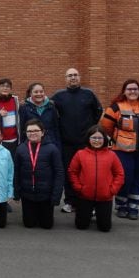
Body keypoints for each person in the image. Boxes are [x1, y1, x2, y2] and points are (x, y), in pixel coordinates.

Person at [100, 79, 139, 220]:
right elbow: (106, 127)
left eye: (135, 89)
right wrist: (115, 140)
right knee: (125, 178)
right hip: (122, 150)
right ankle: (121, 205)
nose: (132, 91)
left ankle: (134, 207)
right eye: (129, 89)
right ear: (124, 91)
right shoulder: (115, 107)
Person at [52, 68, 103, 213]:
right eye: (69, 76)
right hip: (66, 142)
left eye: (75, 75)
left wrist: (89, 129)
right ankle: (70, 201)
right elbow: (46, 106)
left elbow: (98, 111)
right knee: (70, 172)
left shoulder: (89, 94)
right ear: (65, 78)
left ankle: (87, 203)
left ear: (79, 77)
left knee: (87, 172)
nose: (72, 78)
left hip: (85, 143)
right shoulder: (58, 96)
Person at [68, 126, 125, 232]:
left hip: (105, 196)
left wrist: (112, 190)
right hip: (84, 195)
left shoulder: (112, 155)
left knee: (105, 228)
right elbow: (72, 172)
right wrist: (79, 188)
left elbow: (119, 174)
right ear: (88, 139)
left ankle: (98, 214)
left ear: (104, 139)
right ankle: (87, 214)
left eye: (99, 138)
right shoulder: (80, 154)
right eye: (94, 138)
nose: (96, 141)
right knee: (81, 226)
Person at [13, 119, 64, 229]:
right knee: (29, 224)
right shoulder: (20, 149)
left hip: (46, 195)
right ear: (26, 133)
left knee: (46, 225)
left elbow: (59, 173)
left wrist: (56, 196)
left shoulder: (52, 149)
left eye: (36, 130)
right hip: (27, 195)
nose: (32, 133)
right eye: (29, 131)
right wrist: (16, 192)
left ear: (43, 132)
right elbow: (16, 171)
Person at [18, 83, 60, 150]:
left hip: (50, 143)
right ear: (31, 94)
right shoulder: (24, 108)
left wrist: (57, 146)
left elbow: (56, 128)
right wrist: (22, 146)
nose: (39, 94)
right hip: (31, 145)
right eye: (36, 92)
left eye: (41, 91)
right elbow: (22, 129)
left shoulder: (51, 106)